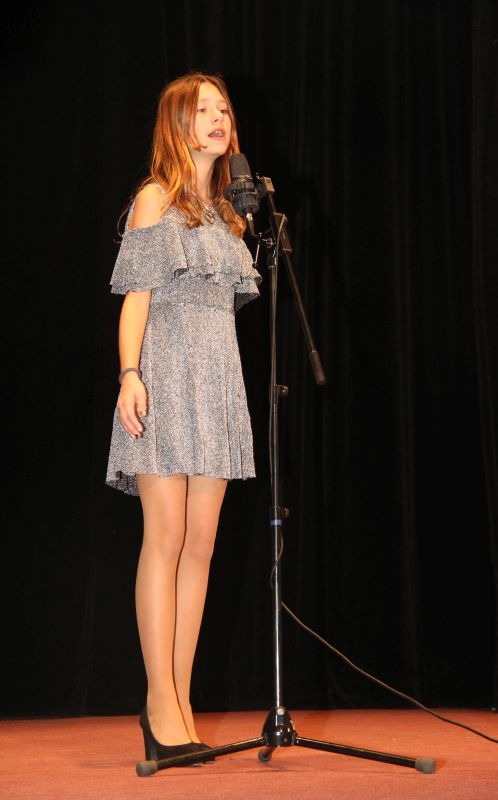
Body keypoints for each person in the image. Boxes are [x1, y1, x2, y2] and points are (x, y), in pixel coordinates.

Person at [105, 72, 261, 763]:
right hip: (165, 377)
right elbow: (135, 298)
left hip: (217, 382)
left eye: (223, 109)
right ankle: (158, 702)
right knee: (165, 538)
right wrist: (130, 375)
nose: (218, 118)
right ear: (178, 124)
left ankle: (181, 700)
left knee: (201, 545)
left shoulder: (230, 215)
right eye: (204, 110)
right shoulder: (154, 199)